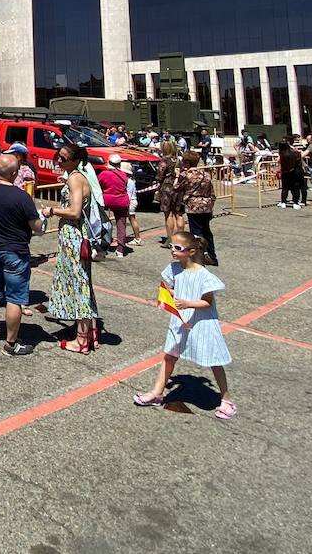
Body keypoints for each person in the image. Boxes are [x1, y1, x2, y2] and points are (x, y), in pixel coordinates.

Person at [133, 231, 236, 420]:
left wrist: (188, 303)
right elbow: (171, 287)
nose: (173, 250)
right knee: (169, 357)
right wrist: (167, 293)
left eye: (178, 248)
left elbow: (207, 302)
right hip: (180, 321)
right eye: (172, 246)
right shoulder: (174, 269)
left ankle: (226, 399)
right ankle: (157, 393)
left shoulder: (203, 275)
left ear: (191, 251)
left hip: (202, 322)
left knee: (213, 361)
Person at [0, 153, 47, 357]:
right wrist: (43, 219)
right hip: (15, 250)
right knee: (14, 298)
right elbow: (37, 227)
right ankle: (11, 342)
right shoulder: (21, 197)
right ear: (14, 173)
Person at [44, 143, 100, 354]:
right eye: (58, 156)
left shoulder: (76, 178)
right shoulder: (76, 176)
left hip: (73, 236)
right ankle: (91, 333)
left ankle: (81, 340)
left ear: (75, 160)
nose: (59, 160)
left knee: (78, 285)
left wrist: (52, 210)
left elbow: (75, 211)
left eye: (64, 158)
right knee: (83, 282)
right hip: (77, 235)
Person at [177, 151, 219, 265]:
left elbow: (177, 187)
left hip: (193, 206)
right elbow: (212, 192)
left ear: (186, 162)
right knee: (207, 232)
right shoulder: (206, 174)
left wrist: (178, 174)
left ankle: (199, 258)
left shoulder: (186, 175)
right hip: (206, 205)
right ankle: (212, 256)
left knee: (196, 233)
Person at [98, 152, 132, 258]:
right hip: (122, 200)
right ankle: (120, 249)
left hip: (107, 199)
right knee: (121, 225)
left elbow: (99, 185)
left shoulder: (104, 174)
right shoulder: (123, 175)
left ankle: (102, 245)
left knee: (101, 221)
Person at [156, 140, 183, 242]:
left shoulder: (164, 160)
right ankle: (181, 238)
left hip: (167, 188)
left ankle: (170, 239)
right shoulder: (178, 160)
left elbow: (160, 175)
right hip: (178, 188)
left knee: (169, 214)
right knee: (179, 214)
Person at [276, 138, 306, 208]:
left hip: (285, 172)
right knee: (295, 188)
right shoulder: (296, 153)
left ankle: (283, 202)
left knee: (285, 188)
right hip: (296, 172)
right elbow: (299, 161)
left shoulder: (282, 155)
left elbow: (279, 162)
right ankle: (295, 203)